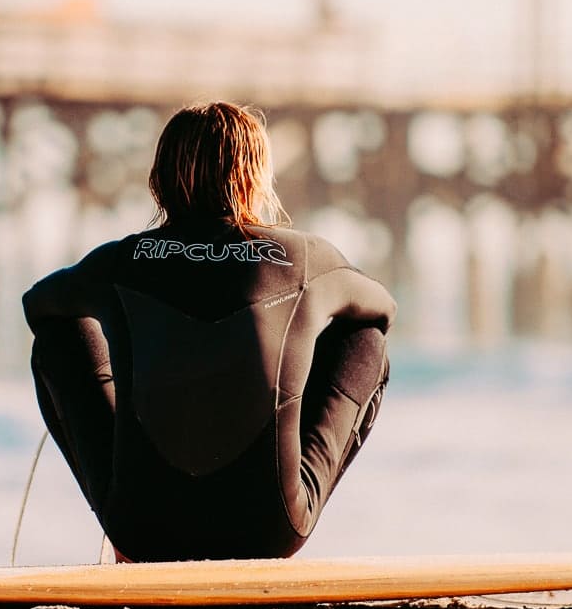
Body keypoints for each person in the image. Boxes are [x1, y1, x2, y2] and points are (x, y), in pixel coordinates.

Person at [23, 102, 394, 562]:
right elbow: (382, 309)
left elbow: (39, 305)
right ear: (254, 177)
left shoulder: (121, 261)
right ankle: (283, 492)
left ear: (159, 178)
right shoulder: (301, 258)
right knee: (365, 339)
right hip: (268, 531)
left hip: (143, 529)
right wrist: (295, 341)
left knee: (57, 340)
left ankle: (122, 539)